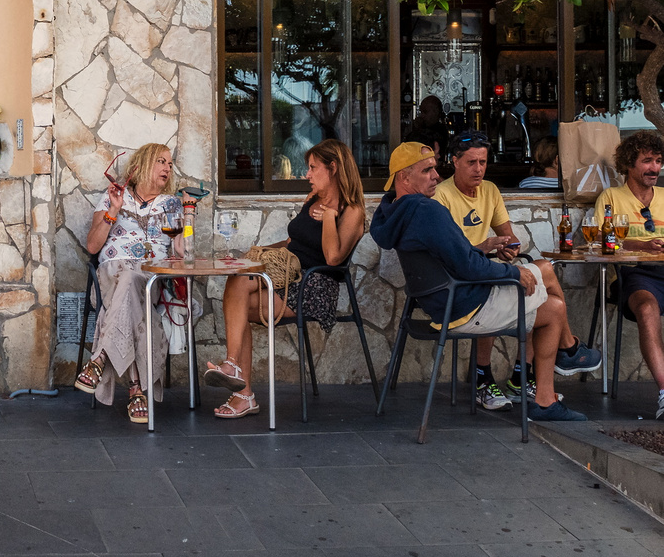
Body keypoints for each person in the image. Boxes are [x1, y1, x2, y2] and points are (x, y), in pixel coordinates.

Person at [369, 142, 583, 421]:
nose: (436, 176)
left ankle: (561, 361)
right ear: (404, 178)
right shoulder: (426, 210)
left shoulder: (393, 212)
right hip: (463, 305)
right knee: (553, 307)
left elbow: (452, 257)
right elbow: (468, 268)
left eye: (435, 168)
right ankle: (547, 394)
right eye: (427, 170)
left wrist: (481, 249)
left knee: (543, 280)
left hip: (440, 301)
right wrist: (514, 273)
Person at [207, 139, 367, 420]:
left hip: (314, 287)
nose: (307, 175)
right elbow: (293, 241)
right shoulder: (311, 200)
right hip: (285, 277)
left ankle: (239, 384)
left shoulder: (352, 211)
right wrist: (258, 254)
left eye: (313, 168)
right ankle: (237, 379)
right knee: (239, 280)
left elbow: (332, 258)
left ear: (333, 169)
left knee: (239, 292)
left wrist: (329, 216)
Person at [435, 133, 596, 411]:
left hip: (483, 270)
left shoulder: (490, 190)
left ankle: (523, 374)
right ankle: (561, 350)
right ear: (454, 161)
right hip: (458, 281)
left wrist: (507, 247)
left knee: (538, 281)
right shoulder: (442, 196)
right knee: (539, 272)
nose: (479, 169)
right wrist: (484, 246)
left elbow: (508, 237)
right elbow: (450, 254)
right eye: (471, 162)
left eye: (483, 162)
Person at [74, 144, 184, 422]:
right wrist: (114, 208)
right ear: (144, 164)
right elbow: (92, 245)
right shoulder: (113, 196)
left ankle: (98, 360)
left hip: (151, 277)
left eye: (170, 164)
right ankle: (137, 391)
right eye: (161, 161)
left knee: (134, 281)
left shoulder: (171, 204)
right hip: (111, 275)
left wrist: (190, 216)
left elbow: (183, 256)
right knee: (130, 287)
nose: (167, 168)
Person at [594, 131, 664, 420]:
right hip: (633, 274)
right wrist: (638, 245)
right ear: (629, 165)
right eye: (647, 161)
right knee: (648, 309)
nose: (655, 168)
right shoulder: (611, 197)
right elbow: (599, 239)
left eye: (659, 161)